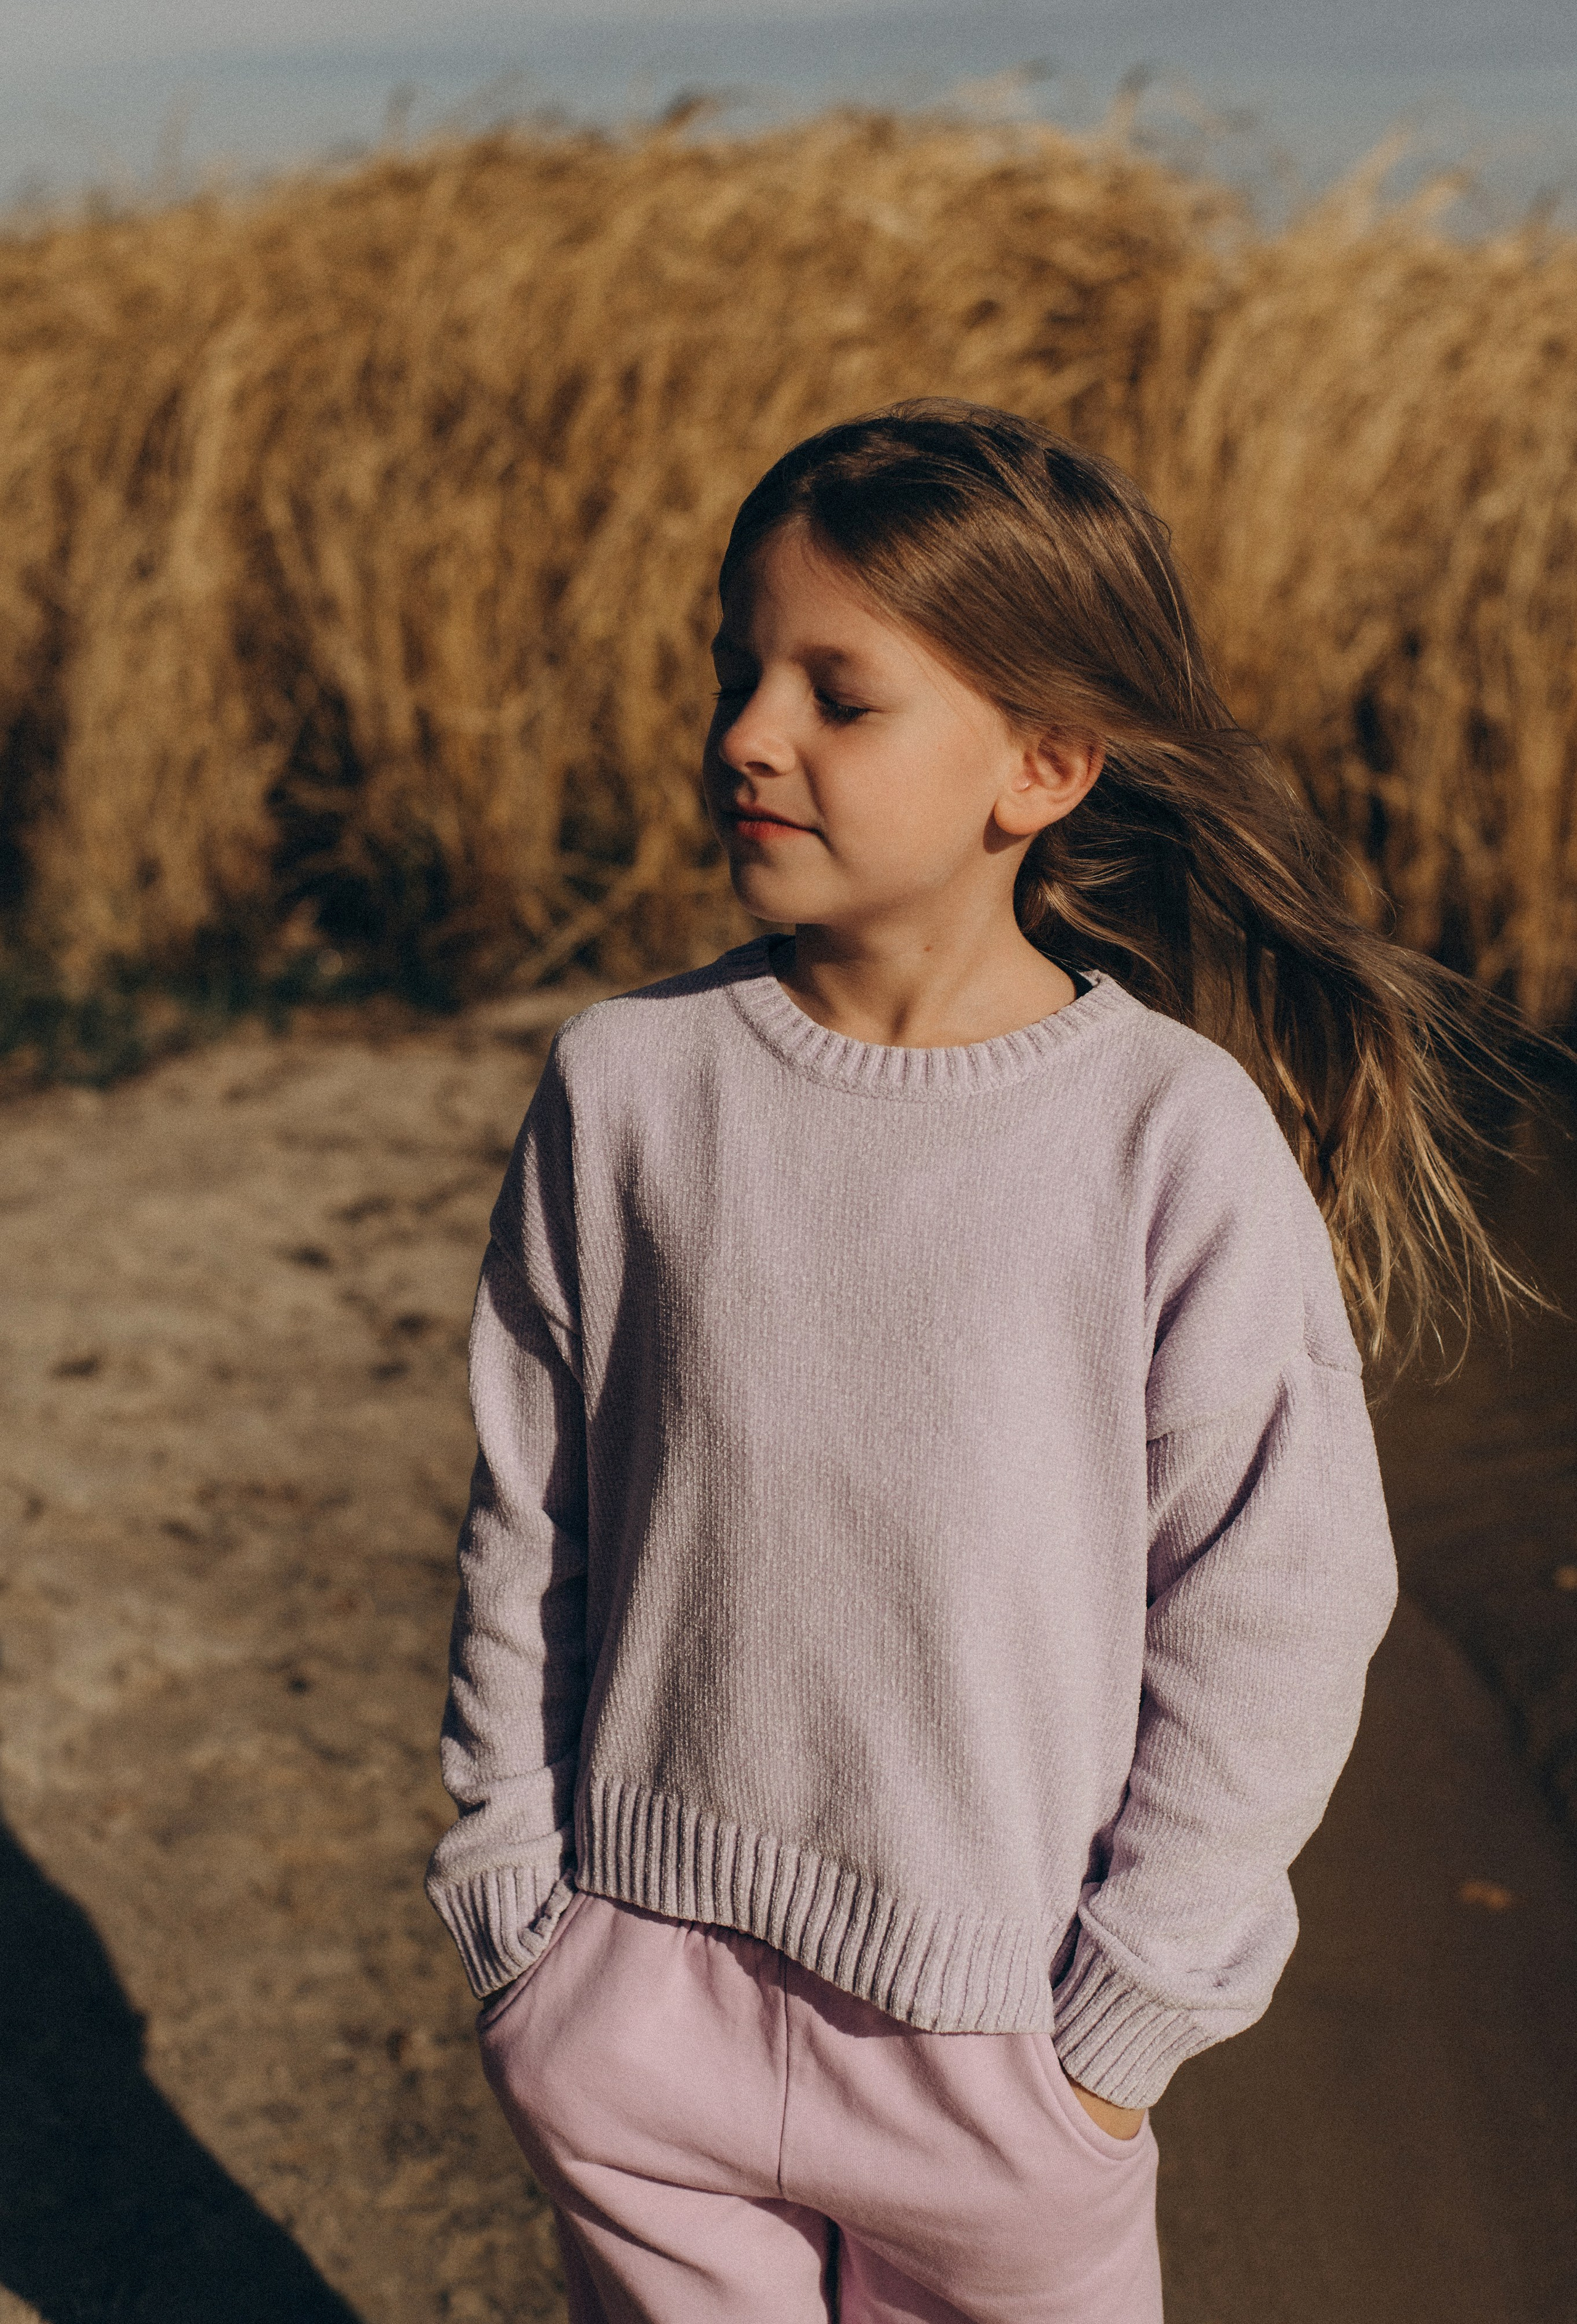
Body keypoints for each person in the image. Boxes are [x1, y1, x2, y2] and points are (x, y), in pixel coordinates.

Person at [426, 400, 1520, 2322]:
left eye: (837, 695)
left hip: (1004, 2058)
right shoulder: (628, 1085)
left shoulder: (1165, 1139)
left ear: (1043, 765)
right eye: (733, 672)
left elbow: (1278, 1598)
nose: (745, 734)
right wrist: (524, 1911)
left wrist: (1114, 2035)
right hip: (636, 2007)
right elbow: (532, 1520)